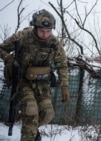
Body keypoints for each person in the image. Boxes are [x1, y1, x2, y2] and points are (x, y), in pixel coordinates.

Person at [0, 9, 70, 141]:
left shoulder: (54, 43)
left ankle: (31, 129)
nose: (45, 34)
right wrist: (8, 58)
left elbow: (62, 64)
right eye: (42, 31)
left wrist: (64, 86)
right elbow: (1, 48)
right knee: (31, 111)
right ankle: (29, 133)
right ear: (35, 27)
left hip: (42, 82)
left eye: (48, 31)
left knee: (48, 114)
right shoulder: (22, 37)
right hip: (22, 80)